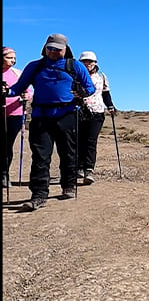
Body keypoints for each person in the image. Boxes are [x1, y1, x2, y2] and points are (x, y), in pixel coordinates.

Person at [2, 34, 95, 211]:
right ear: (44, 48)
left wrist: (81, 92)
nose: (52, 51)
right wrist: (6, 92)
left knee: (68, 152)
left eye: (57, 49)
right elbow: (18, 88)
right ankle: (38, 195)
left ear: (65, 49)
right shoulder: (35, 66)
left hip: (67, 115)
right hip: (40, 116)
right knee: (40, 156)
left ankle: (68, 185)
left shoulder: (74, 65)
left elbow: (90, 87)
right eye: (49, 48)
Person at [76, 51, 115, 185]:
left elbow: (106, 93)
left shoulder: (101, 77)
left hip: (97, 112)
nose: (87, 64)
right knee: (79, 140)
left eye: (90, 61)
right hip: (78, 111)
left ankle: (89, 169)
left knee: (91, 141)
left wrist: (110, 106)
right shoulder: (75, 76)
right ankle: (79, 167)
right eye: (84, 62)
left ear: (95, 63)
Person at [3, 47, 32, 189]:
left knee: (7, 145)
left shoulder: (17, 73)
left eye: (14, 58)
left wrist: (27, 96)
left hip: (14, 114)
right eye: (9, 57)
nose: (13, 60)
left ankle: (4, 174)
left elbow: (28, 91)